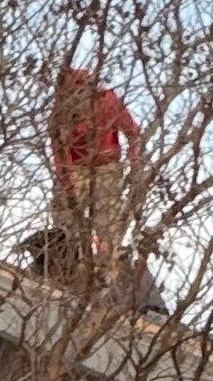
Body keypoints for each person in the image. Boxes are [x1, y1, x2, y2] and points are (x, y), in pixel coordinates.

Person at [48, 65, 143, 272]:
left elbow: (133, 131)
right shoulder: (60, 113)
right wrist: (67, 180)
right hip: (75, 168)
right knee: (65, 212)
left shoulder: (108, 100)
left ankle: (105, 269)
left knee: (106, 222)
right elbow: (59, 150)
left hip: (106, 167)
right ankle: (69, 262)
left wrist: (134, 161)